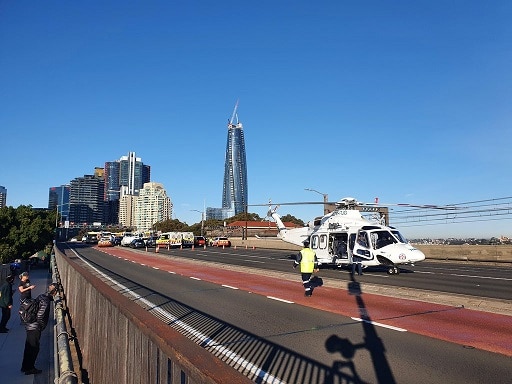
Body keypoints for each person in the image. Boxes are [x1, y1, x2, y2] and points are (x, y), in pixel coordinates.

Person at [21, 283, 58, 375]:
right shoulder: (46, 301)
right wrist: (41, 326)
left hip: (30, 326)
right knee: (34, 348)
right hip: (35, 327)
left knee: (29, 347)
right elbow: (41, 316)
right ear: (54, 292)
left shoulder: (41, 296)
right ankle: (30, 368)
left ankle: (25, 367)